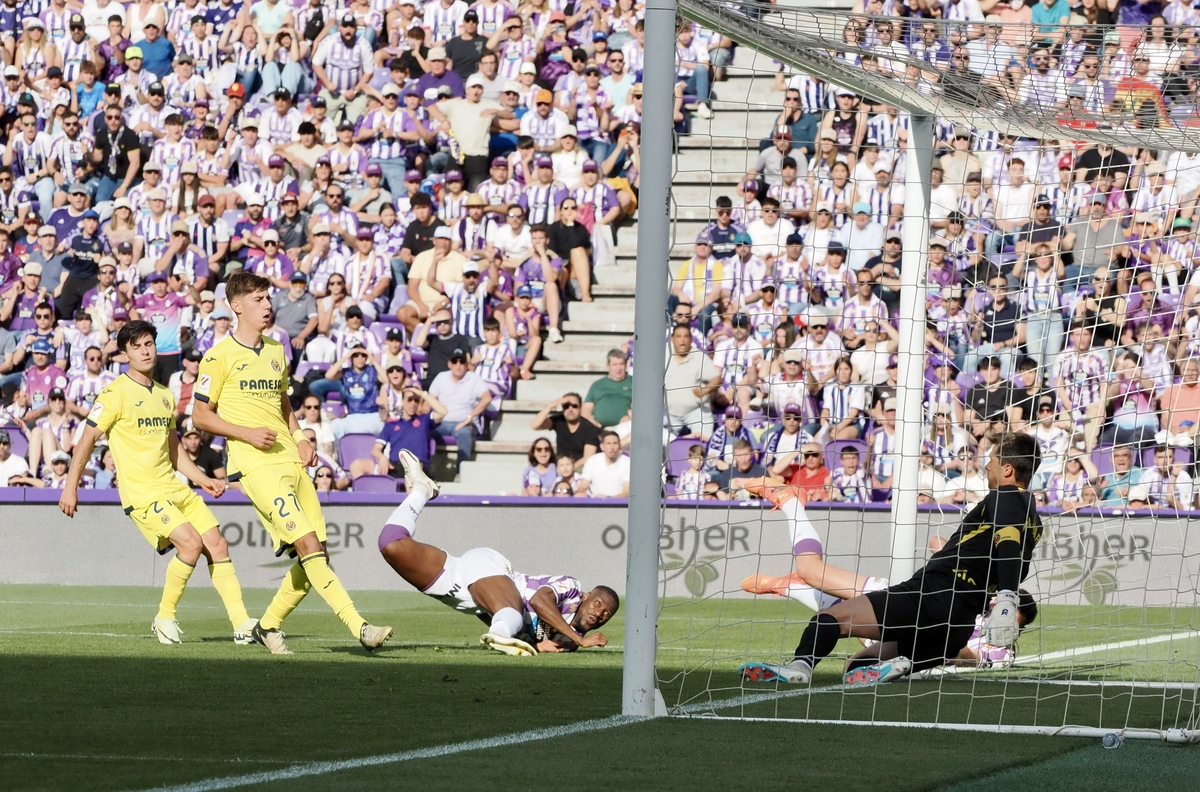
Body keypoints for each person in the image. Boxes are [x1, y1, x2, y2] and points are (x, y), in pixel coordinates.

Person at [191, 271, 392, 655]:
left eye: (268, 299)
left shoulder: (275, 350)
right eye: (258, 300)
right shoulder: (218, 356)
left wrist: (300, 438)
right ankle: (359, 627)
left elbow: (284, 405)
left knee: (316, 551)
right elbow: (200, 416)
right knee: (306, 543)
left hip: (289, 459)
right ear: (236, 306)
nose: (268, 306)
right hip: (254, 464)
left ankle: (268, 625)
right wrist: (245, 433)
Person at [739, 433, 1042, 685]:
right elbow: (1009, 553)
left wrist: (1006, 597)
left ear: (1007, 470)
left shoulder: (1005, 498)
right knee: (856, 668)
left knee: (828, 619)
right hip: (957, 626)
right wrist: (1005, 595)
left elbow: (1008, 542)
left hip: (930, 594)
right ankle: (898, 664)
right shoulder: (1034, 523)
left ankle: (801, 665)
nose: (987, 467)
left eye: (991, 461)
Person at [58, 320, 254, 645]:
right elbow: (87, 439)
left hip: (175, 489)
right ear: (124, 354)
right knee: (190, 544)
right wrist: (70, 485)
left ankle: (241, 624)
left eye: (149, 343)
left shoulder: (165, 395)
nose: (146, 350)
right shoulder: (114, 394)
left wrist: (203, 479)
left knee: (217, 544)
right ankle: (164, 617)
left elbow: (175, 450)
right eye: (137, 346)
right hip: (143, 494)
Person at [378, 451, 618, 654]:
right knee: (510, 613)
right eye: (598, 604)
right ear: (587, 596)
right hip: (491, 569)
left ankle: (422, 490)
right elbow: (539, 601)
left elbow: (527, 633)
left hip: (467, 594)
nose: (600, 613)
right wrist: (580, 640)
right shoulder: (573, 588)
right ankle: (497, 635)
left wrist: (537, 644)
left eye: (606, 614)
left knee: (391, 544)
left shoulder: (567, 641)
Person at [530, 392, 599, 472]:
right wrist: (550, 406)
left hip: (579, 469)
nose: (570, 409)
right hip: (560, 466)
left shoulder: (589, 428)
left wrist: (568, 470)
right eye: (566, 406)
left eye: (574, 406)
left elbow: (588, 458)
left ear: (580, 408)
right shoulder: (559, 421)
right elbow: (534, 425)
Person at [576, 430, 630, 498]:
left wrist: (607, 499)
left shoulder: (627, 462)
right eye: (608, 443)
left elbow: (627, 492)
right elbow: (583, 486)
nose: (612, 447)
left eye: (615, 443)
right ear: (602, 446)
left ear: (620, 446)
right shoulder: (592, 460)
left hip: (619, 505)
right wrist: (580, 493)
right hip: (595, 503)